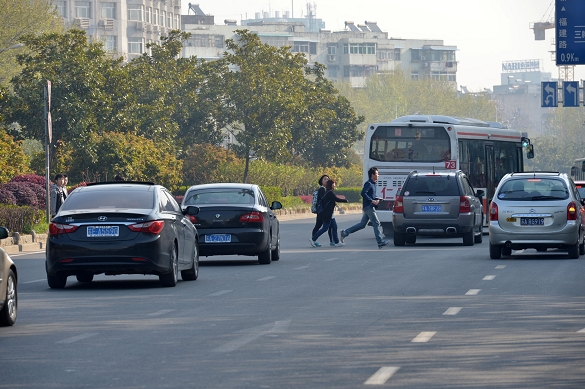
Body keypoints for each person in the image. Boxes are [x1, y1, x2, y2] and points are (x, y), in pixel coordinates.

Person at [340, 167, 389, 248]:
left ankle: (345, 233)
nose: (378, 175)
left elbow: (370, 195)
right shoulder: (368, 183)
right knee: (376, 223)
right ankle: (380, 241)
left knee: (362, 224)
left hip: (369, 206)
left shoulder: (373, 184)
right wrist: (372, 201)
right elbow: (363, 193)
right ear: (372, 175)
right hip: (368, 206)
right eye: (377, 174)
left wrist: (377, 199)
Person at [310, 178, 348, 247]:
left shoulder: (328, 192)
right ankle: (313, 239)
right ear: (331, 184)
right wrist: (345, 200)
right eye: (334, 183)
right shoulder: (329, 192)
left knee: (334, 227)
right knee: (325, 228)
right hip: (327, 214)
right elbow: (337, 199)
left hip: (330, 214)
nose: (335, 185)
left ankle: (336, 242)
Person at [311, 174, 334, 246]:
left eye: (327, 179)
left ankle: (332, 241)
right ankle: (313, 240)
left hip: (325, 211)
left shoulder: (326, 189)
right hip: (322, 212)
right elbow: (324, 200)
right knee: (319, 226)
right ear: (321, 181)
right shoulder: (322, 189)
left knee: (330, 226)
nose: (326, 180)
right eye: (325, 179)